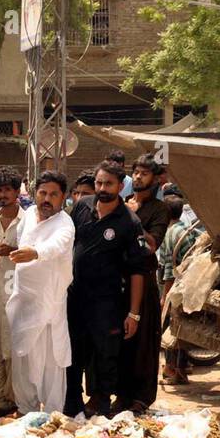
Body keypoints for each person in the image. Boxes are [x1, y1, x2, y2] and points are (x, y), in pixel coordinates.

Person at [64, 161, 148, 418]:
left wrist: (133, 313)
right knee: (73, 351)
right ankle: (72, 400)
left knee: (105, 355)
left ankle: (100, 403)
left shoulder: (129, 223)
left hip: (108, 303)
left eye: (108, 183)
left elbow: (138, 271)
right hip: (75, 297)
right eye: (99, 182)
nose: (102, 188)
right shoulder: (82, 207)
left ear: (121, 187)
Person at [6, 172, 75, 415]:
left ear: (63, 197)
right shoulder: (27, 219)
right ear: (35, 194)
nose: (47, 199)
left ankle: (53, 416)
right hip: (24, 301)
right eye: (43, 193)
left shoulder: (65, 224)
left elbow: (56, 246)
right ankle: (27, 413)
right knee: (23, 360)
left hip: (49, 306)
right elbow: (19, 247)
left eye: (53, 194)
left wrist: (35, 253)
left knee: (51, 364)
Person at [117, 154, 171, 413]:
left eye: (144, 173)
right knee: (121, 341)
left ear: (155, 179)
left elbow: (151, 245)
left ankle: (141, 397)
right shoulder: (123, 204)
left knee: (144, 341)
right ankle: (122, 395)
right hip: (120, 281)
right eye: (136, 172)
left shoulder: (159, 210)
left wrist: (133, 218)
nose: (138, 177)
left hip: (145, 280)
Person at [0, 168, 23, 418]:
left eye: (7, 190)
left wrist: (13, 249)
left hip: (17, 290)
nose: (3, 195)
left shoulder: (27, 219)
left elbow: (32, 251)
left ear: (17, 192)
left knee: (14, 347)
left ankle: (15, 399)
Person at [157, 195, 204, 386]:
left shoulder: (169, 234)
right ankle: (181, 369)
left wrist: (165, 297)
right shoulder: (183, 230)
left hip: (177, 288)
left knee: (171, 328)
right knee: (180, 330)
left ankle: (175, 371)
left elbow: (170, 269)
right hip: (190, 285)